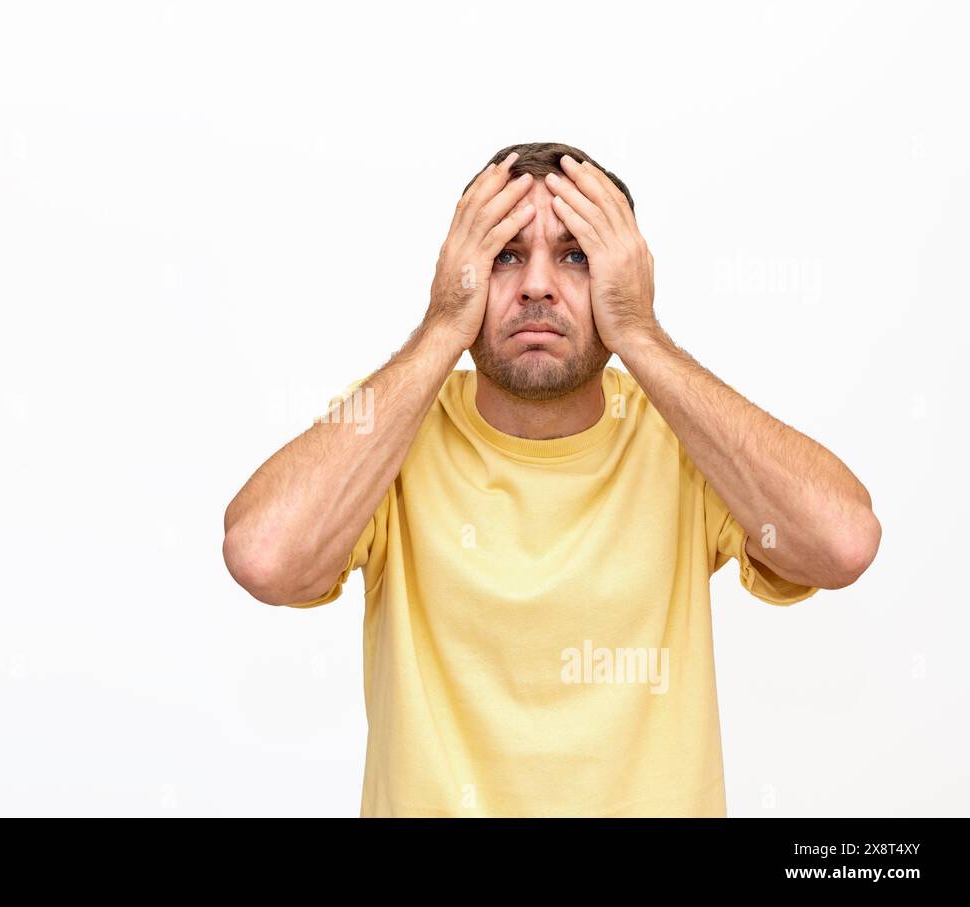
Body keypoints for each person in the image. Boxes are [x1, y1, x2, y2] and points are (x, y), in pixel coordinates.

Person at [222, 142, 881, 817]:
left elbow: (843, 542)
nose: (537, 285)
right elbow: (264, 556)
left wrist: (642, 334)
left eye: (576, 256)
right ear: (460, 268)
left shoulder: (682, 433)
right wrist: (443, 323)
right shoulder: (393, 429)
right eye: (505, 254)